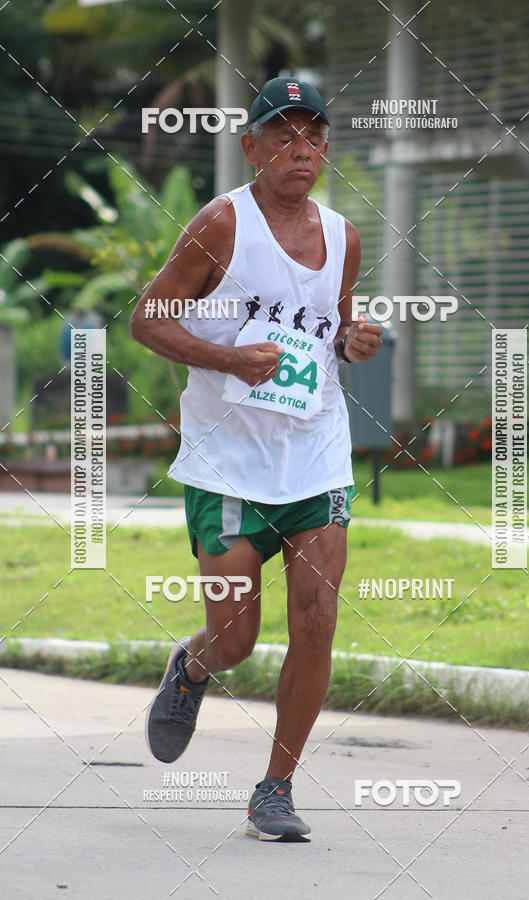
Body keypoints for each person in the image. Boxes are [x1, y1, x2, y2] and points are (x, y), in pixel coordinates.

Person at [130, 76, 383, 842]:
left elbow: (332, 332)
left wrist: (354, 340)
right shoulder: (221, 224)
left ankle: (275, 789)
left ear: (325, 149)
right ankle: (194, 668)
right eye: (281, 134)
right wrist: (226, 359)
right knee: (236, 637)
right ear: (251, 146)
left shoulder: (344, 237)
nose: (298, 149)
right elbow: (147, 320)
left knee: (318, 618)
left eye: (311, 136)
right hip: (228, 463)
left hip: (315, 452)